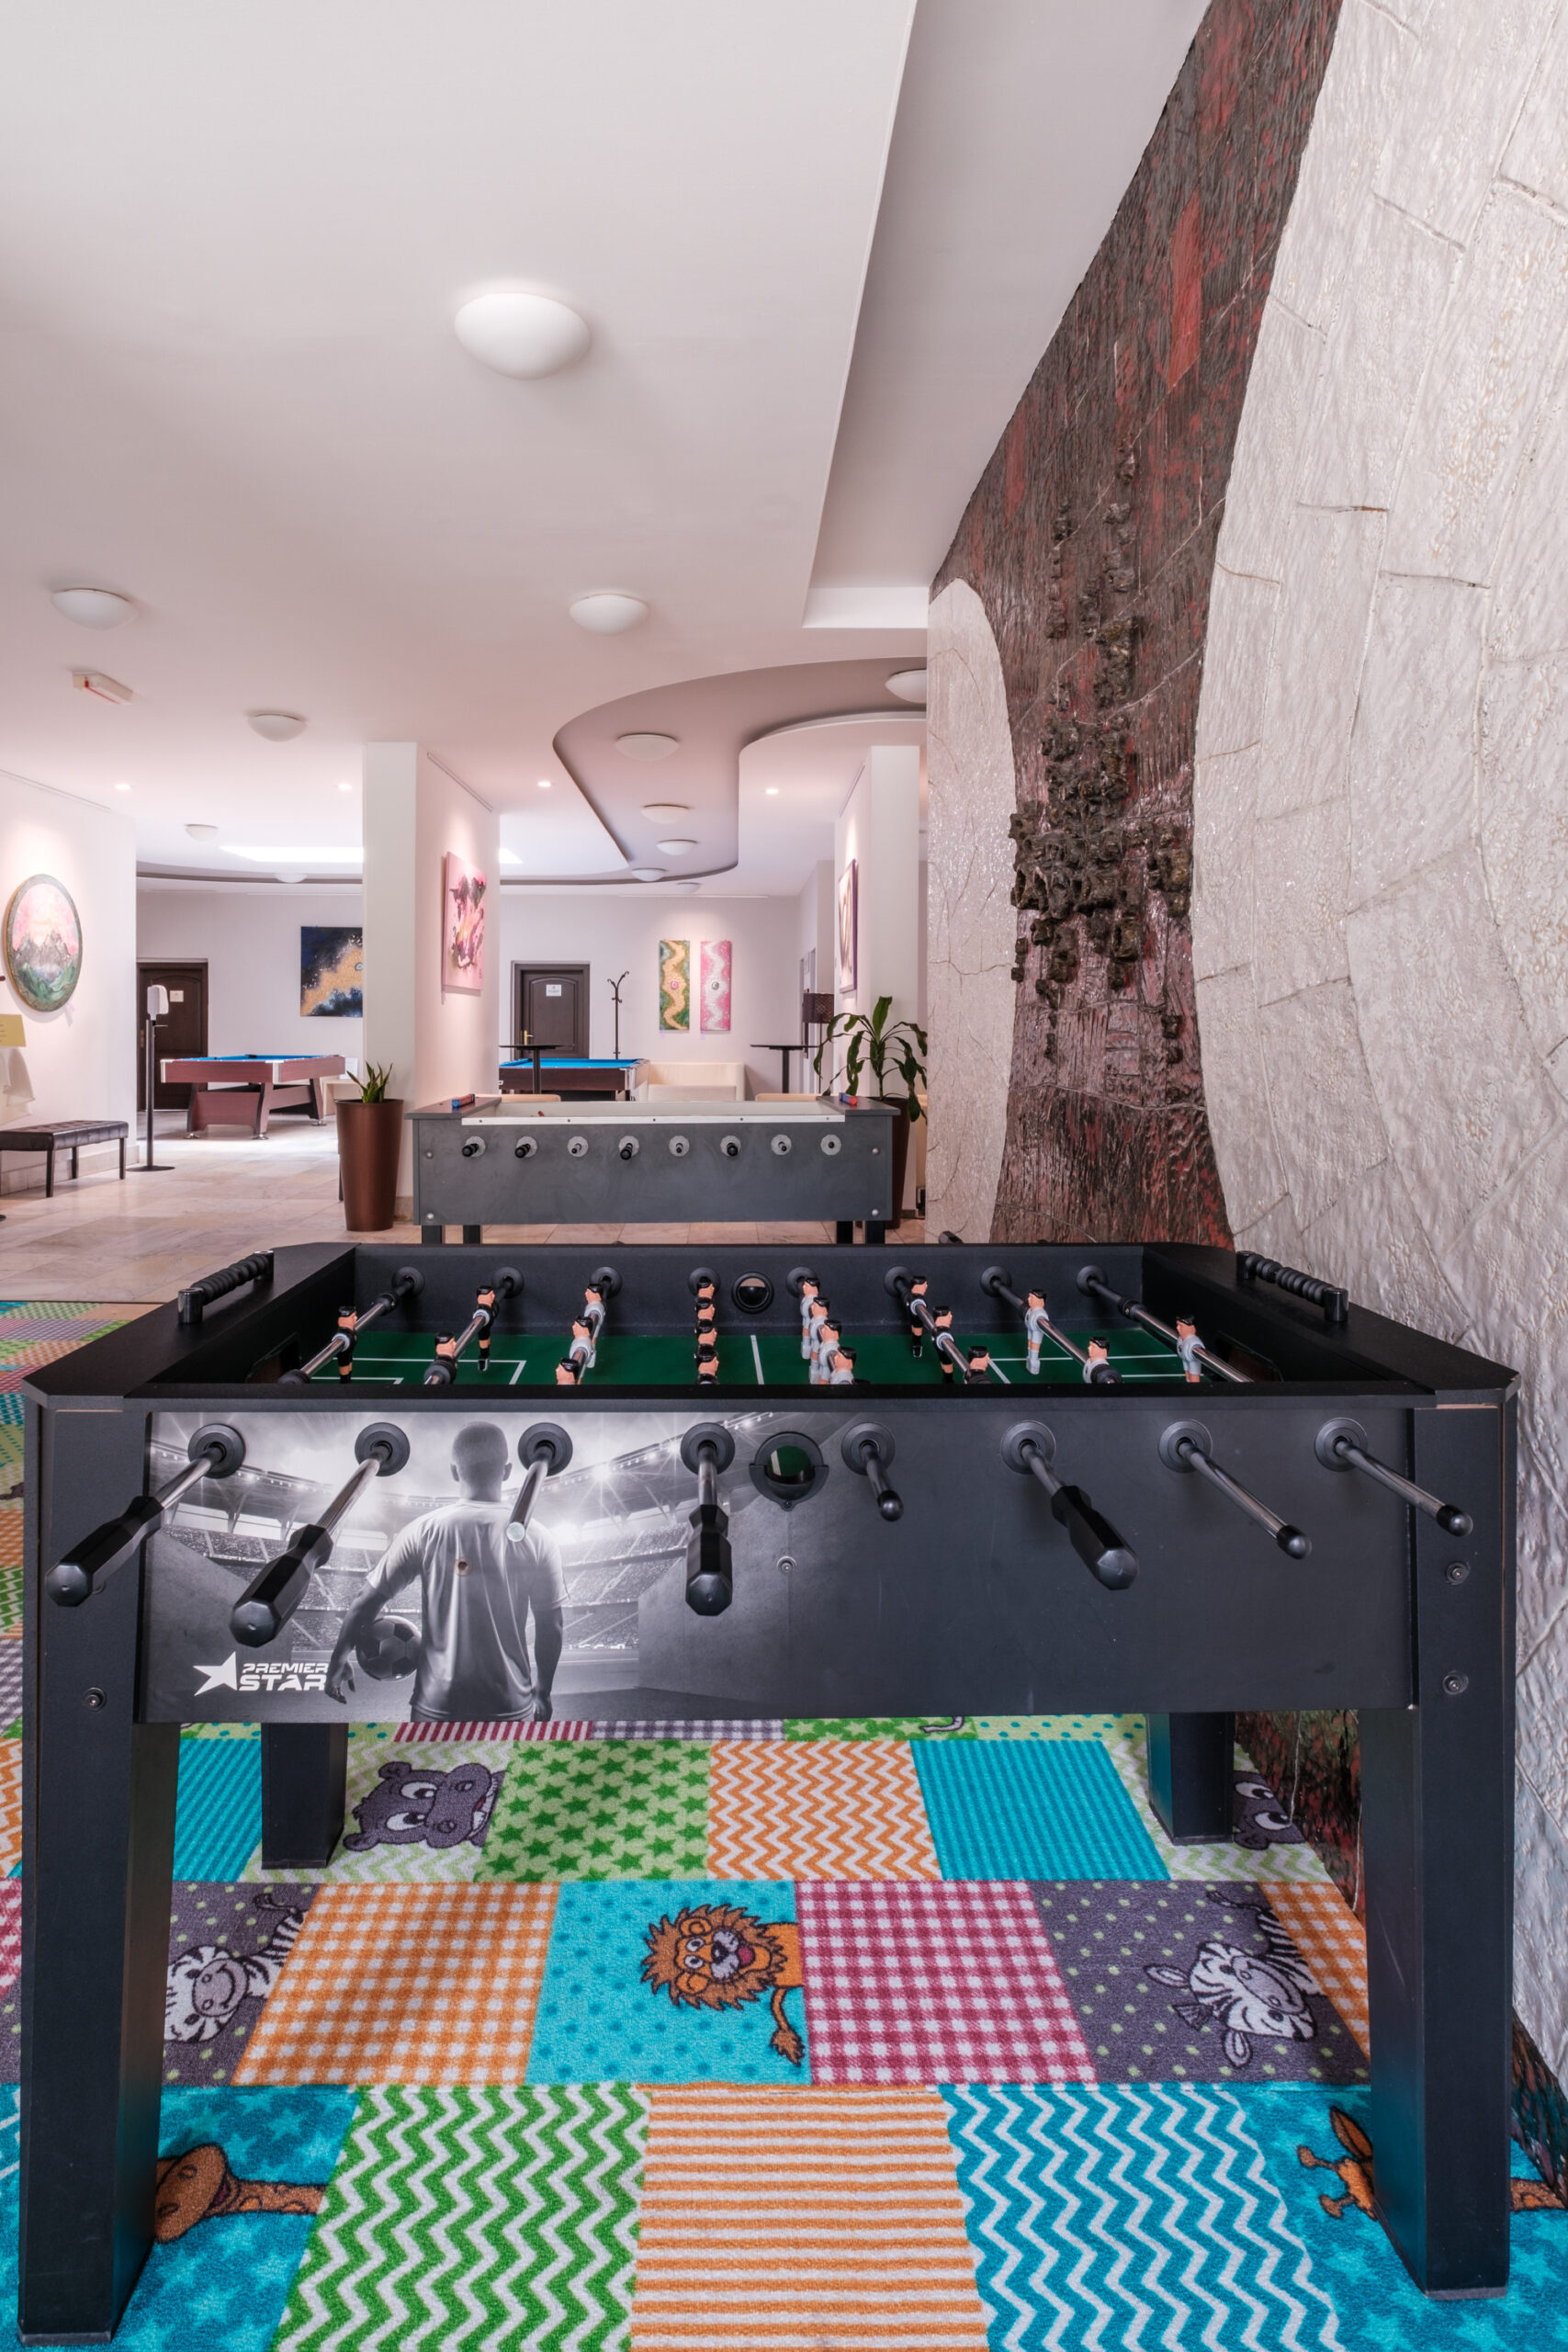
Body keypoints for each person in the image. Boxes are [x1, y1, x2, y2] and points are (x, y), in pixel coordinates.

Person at [325, 1421, 565, 1725]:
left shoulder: (423, 1530)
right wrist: (543, 1691)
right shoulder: (537, 1536)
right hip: (511, 1705)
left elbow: (365, 1601)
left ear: (454, 1471)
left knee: (429, 1761)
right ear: (506, 1471)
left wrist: (339, 1657)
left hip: (436, 1707)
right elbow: (551, 1625)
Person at [1024, 1290, 1049, 1376]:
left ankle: (1034, 1363)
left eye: (1032, 1297)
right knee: (1030, 1342)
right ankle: (1030, 1359)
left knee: (1034, 1345)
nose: (1028, 1299)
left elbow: (1047, 1326)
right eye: (1029, 1297)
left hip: (1036, 1332)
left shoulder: (1040, 1315)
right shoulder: (1031, 1311)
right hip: (1030, 1329)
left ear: (1041, 1301)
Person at [1175, 1317, 1203, 1384]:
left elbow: (1202, 1352)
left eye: (1181, 1326)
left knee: (1193, 1376)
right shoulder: (1181, 1339)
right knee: (1187, 1375)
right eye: (1177, 1325)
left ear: (1192, 1328)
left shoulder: (1194, 1342)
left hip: (1192, 1361)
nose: (1177, 1328)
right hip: (1184, 1357)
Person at [932, 1306, 956, 1382]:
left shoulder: (936, 1331)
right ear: (941, 1319)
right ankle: (948, 1381)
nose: (951, 1316)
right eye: (949, 1315)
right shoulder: (942, 1334)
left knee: (944, 1359)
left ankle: (947, 1379)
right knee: (946, 1359)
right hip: (939, 1342)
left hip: (937, 1340)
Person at [908, 1275, 929, 1359]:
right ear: (916, 1287)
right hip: (914, 1316)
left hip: (915, 1315)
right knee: (916, 1328)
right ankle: (916, 1345)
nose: (926, 1287)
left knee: (916, 1328)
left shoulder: (918, 1299)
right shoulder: (911, 1297)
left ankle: (916, 1344)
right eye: (924, 1285)